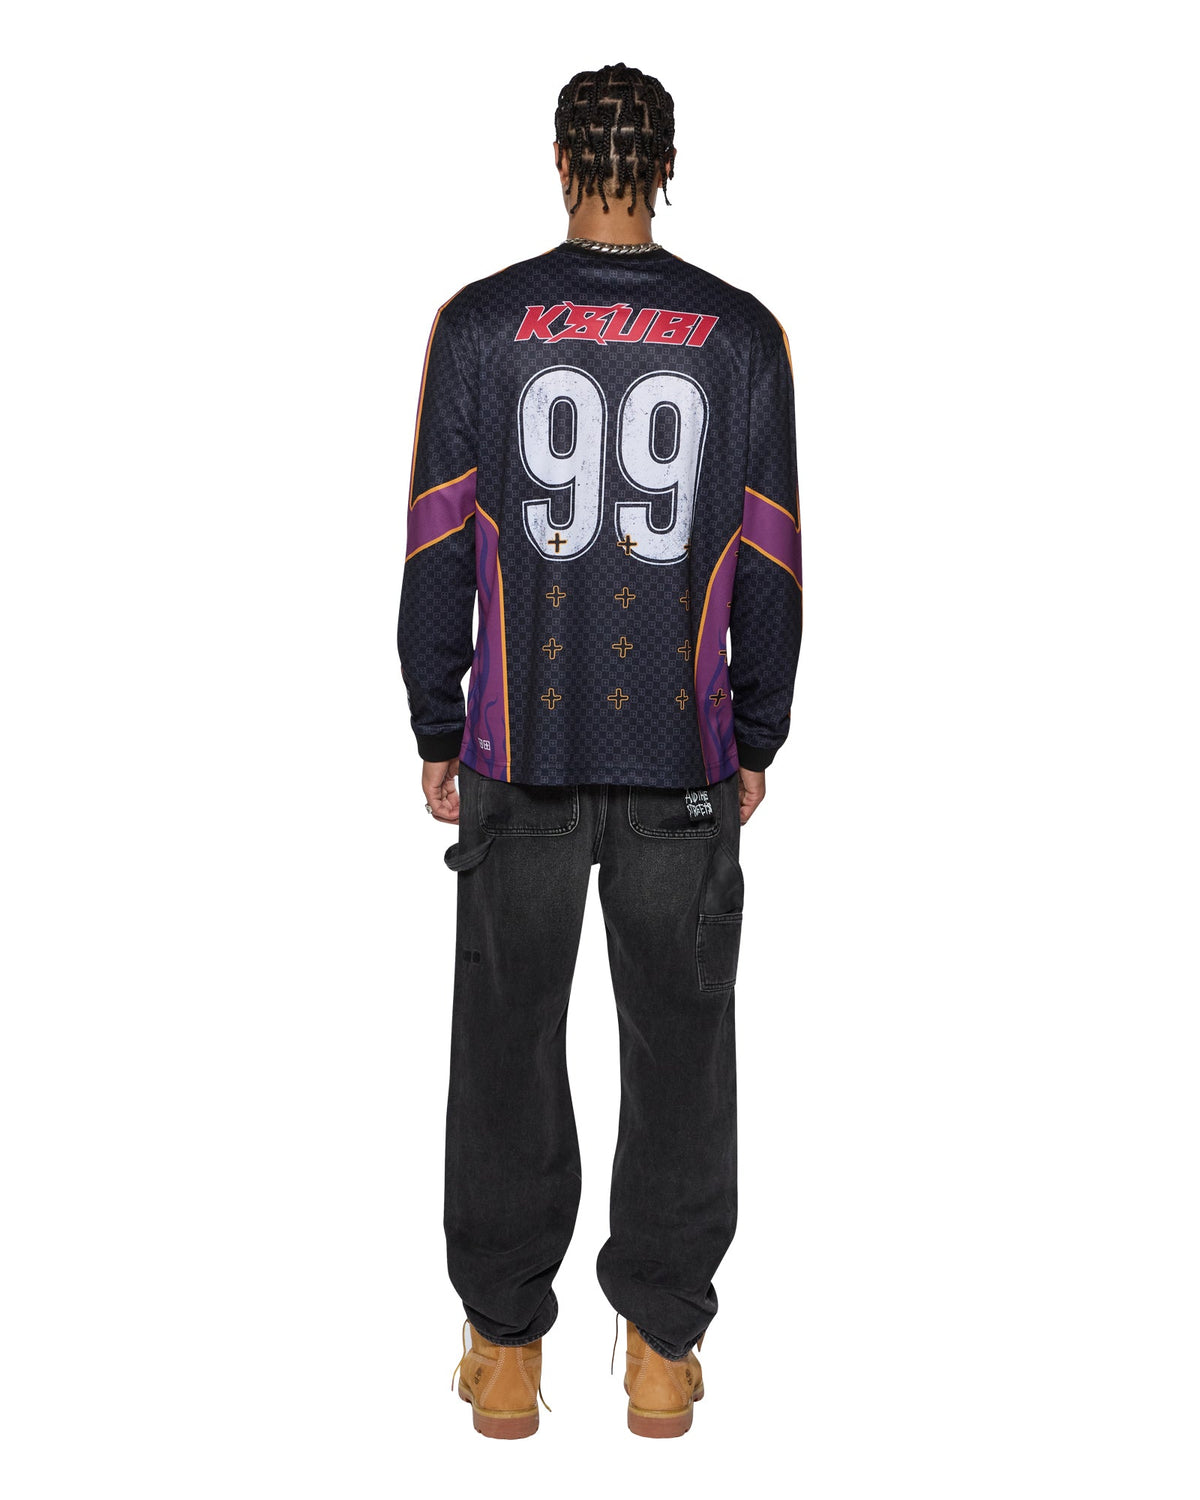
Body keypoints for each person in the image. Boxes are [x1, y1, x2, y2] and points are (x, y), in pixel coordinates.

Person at [397, 62, 803, 1439]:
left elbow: (436, 540)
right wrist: (757, 731)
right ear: (665, 164)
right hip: (682, 754)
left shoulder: (482, 324)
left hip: (518, 746)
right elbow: (771, 558)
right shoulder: (739, 338)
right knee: (683, 1047)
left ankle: (507, 1351)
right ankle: (663, 1353)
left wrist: (437, 719)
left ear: (562, 160)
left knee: (505, 1046)